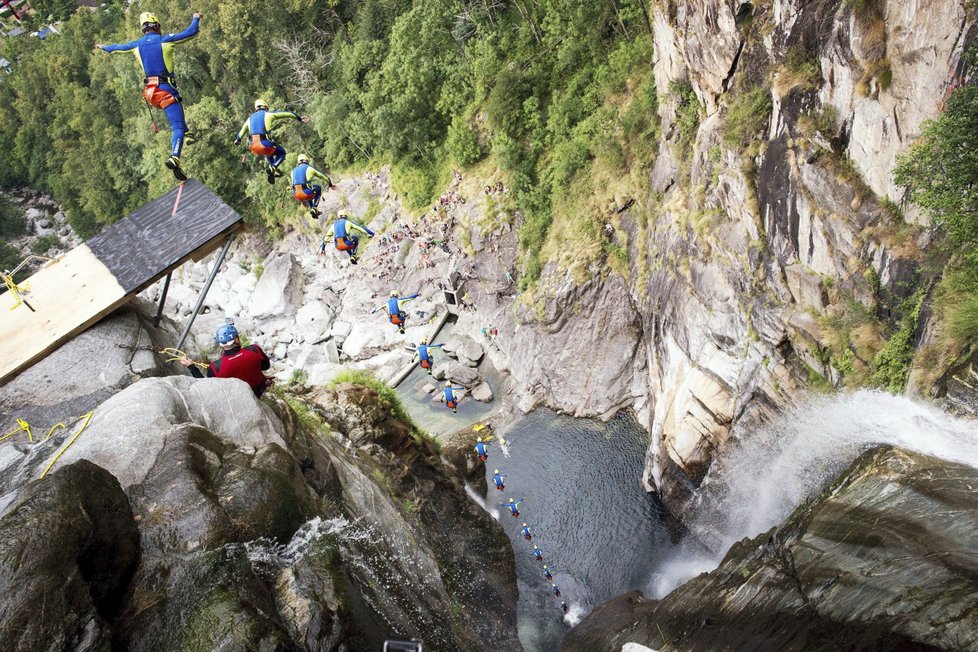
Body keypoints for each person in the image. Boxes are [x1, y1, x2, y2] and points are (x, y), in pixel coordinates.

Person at [96, 11, 201, 181]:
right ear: (157, 26)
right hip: (165, 90)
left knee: (178, 115)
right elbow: (191, 32)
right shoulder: (164, 41)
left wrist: (104, 47)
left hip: (151, 93)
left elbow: (117, 48)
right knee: (177, 126)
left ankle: (187, 136)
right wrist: (196, 17)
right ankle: (175, 157)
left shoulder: (136, 45)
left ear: (143, 29)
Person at [179, 322, 272, 397]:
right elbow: (266, 366)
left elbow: (207, 387)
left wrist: (191, 366)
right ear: (236, 339)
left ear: (220, 344)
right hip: (260, 390)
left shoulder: (215, 367)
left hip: (240, 399)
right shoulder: (254, 349)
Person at [235, 99, 308, 184]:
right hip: (264, 143)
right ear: (265, 107)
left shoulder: (249, 119)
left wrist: (238, 140)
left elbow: (240, 133)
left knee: (268, 152)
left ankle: (272, 170)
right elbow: (286, 114)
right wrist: (299, 118)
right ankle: (273, 167)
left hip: (253, 147)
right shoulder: (268, 114)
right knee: (282, 152)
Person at [290, 154, 334, 219]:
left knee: (308, 194)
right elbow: (324, 177)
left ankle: (312, 210)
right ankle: (315, 207)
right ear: (307, 160)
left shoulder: (292, 171)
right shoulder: (309, 168)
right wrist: (330, 184)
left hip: (296, 195)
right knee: (318, 188)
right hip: (305, 192)